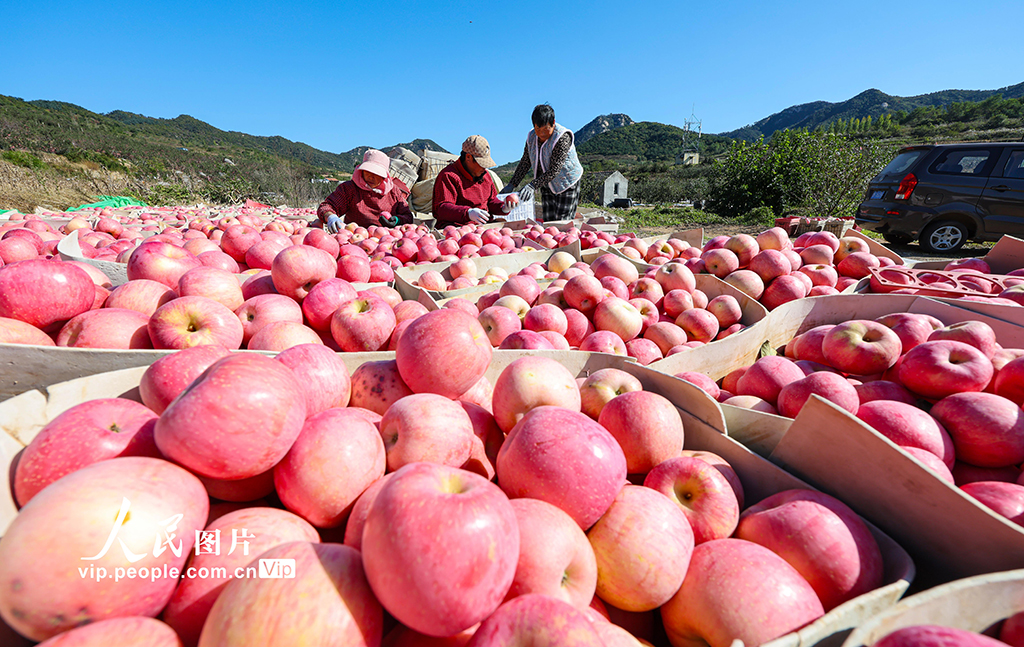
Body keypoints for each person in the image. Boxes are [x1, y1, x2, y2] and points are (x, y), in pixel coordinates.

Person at [506, 104, 584, 222]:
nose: (542, 134)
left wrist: (532, 185)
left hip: (567, 182)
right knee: (548, 221)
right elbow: (525, 161)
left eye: (545, 129)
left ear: (553, 122)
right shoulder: (531, 137)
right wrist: (512, 184)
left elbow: (555, 169)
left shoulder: (562, 137)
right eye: (538, 129)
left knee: (562, 222)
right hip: (546, 182)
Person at [317, 149, 413, 232]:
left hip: (386, 240)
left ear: (384, 177)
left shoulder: (393, 191)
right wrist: (330, 216)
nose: (371, 176)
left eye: (376, 173)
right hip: (353, 238)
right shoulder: (350, 189)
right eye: (368, 171)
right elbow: (326, 206)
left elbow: (408, 217)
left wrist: (396, 220)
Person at [433, 135, 517, 229]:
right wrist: (468, 213)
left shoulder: (485, 175)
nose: (484, 168)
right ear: (468, 157)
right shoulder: (448, 176)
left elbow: (491, 201)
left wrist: (503, 207)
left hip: (484, 228)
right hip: (457, 230)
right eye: (481, 163)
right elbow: (442, 209)